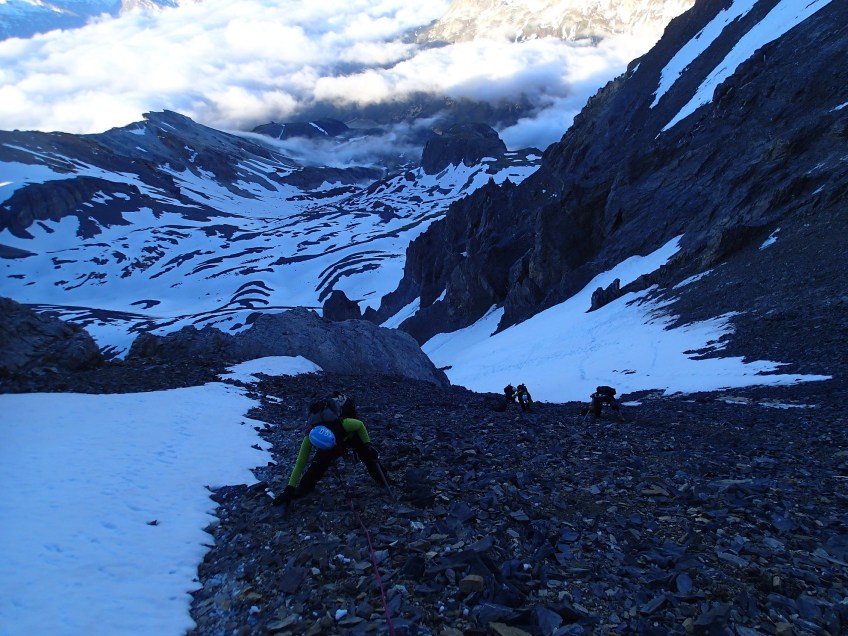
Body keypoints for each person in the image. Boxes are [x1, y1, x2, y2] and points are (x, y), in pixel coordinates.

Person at [273, 392, 390, 505]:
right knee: (318, 465)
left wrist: (367, 444)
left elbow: (360, 425)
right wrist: (289, 489)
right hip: (336, 439)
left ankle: (383, 478)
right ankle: (304, 488)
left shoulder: (345, 424)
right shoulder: (310, 436)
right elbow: (300, 462)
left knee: (368, 455)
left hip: (351, 436)